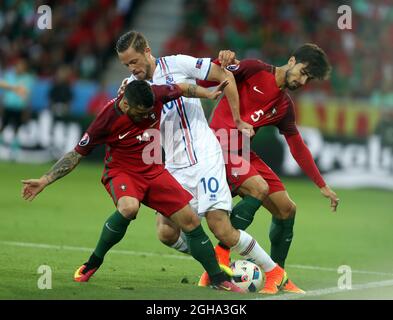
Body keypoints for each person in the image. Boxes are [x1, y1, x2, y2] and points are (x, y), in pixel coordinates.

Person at [117, 31, 300, 294]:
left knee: (221, 229)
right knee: (166, 232)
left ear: (147, 50)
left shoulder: (177, 64)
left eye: (134, 61)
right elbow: (128, 125)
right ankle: (216, 267)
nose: (132, 69)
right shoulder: (131, 88)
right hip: (174, 166)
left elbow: (224, 76)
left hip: (205, 157)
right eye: (126, 65)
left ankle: (275, 273)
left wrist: (237, 120)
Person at [21, 79, 244, 293]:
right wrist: (45, 180)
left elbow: (182, 88)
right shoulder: (106, 119)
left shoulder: (155, 94)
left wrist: (208, 93)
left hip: (154, 170)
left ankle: (218, 279)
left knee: (191, 221)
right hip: (122, 172)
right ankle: (93, 262)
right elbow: (76, 155)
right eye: (141, 112)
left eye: (150, 112)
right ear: (125, 103)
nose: (147, 116)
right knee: (129, 208)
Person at [198, 43, 339, 293]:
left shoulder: (284, 106)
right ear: (292, 60)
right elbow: (213, 76)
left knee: (287, 209)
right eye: (304, 73)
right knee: (258, 188)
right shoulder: (254, 69)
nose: (303, 81)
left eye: (309, 79)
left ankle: (278, 276)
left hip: (243, 153)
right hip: (219, 146)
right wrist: (221, 60)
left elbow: (297, 147)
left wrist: (322, 185)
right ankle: (218, 260)